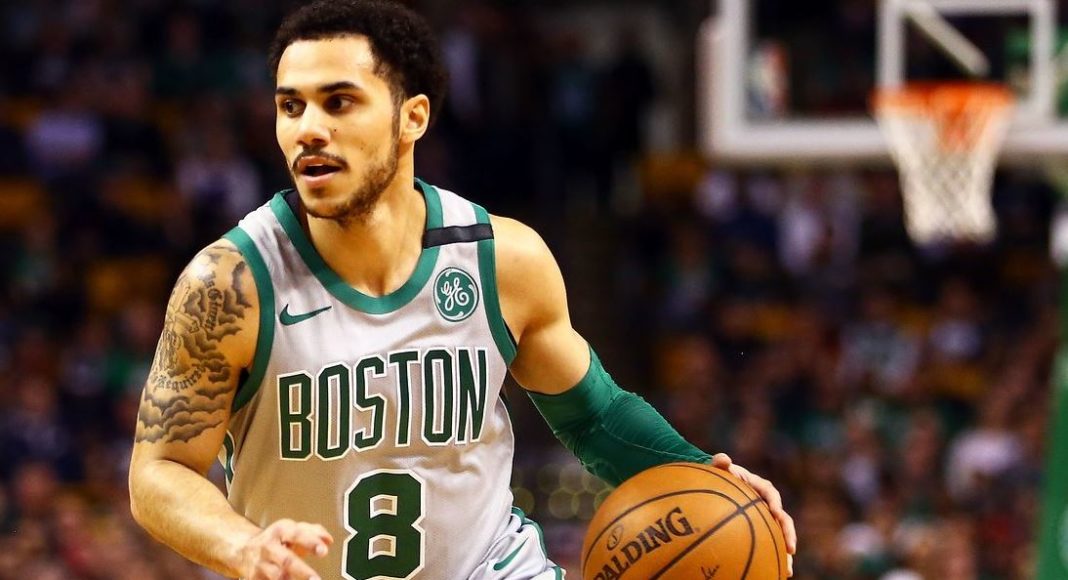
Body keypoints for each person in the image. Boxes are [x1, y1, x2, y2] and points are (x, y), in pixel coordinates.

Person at [127, 1, 798, 578]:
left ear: (412, 117)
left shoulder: (501, 260)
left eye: (339, 102)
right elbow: (159, 472)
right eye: (289, 106)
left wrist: (704, 475)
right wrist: (244, 546)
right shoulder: (231, 286)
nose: (308, 129)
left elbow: (594, 418)